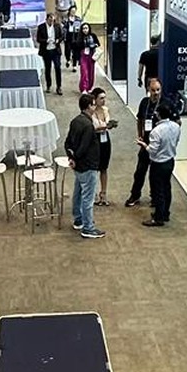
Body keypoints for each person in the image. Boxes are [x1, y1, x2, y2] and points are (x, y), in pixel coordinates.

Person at [64, 93, 105, 239]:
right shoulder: (88, 126)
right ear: (89, 106)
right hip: (87, 165)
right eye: (93, 104)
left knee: (78, 192)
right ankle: (88, 228)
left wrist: (71, 158)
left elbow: (67, 142)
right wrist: (75, 157)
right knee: (88, 198)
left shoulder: (75, 121)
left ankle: (78, 219)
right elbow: (84, 147)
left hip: (78, 167)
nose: (95, 106)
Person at [137, 102, 181, 227]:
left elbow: (152, 151)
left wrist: (144, 145)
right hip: (170, 161)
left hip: (158, 164)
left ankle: (158, 217)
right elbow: (176, 141)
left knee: (158, 191)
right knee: (167, 188)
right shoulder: (176, 127)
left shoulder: (156, 131)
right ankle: (165, 213)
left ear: (158, 115)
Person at [125, 78, 163, 207]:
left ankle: (155, 197)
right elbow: (140, 119)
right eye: (153, 90)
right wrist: (140, 135)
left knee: (155, 174)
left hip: (158, 146)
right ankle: (135, 195)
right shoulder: (144, 103)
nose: (156, 93)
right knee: (140, 171)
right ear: (148, 90)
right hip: (145, 143)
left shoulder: (165, 104)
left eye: (158, 90)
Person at [90, 87, 117, 206]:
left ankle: (104, 193)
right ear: (95, 99)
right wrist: (106, 126)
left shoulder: (106, 110)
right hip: (95, 140)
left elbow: (107, 123)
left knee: (104, 168)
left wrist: (107, 126)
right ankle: (94, 193)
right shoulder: (91, 112)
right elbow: (93, 128)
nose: (104, 100)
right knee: (94, 168)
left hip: (105, 140)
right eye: (101, 98)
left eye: (104, 98)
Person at [36, 13, 64, 95]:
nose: (51, 22)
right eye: (50, 20)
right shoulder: (41, 27)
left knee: (58, 68)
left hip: (56, 51)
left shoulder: (57, 26)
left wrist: (58, 40)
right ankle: (48, 85)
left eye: (53, 20)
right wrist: (46, 41)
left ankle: (59, 87)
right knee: (48, 69)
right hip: (46, 51)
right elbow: (38, 39)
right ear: (47, 19)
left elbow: (62, 36)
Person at [78, 22, 100, 93]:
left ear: (89, 28)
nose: (85, 30)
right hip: (83, 56)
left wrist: (93, 45)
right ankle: (84, 88)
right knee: (84, 72)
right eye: (83, 28)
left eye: (86, 28)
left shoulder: (93, 35)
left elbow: (98, 44)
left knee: (91, 72)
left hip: (91, 55)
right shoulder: (80, 37)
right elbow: (77, 46)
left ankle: (90, 87)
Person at [63, 6, 82, 72]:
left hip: (76, 37)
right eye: (72, 11)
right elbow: (63, 28)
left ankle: (74, 66)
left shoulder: (78, 19)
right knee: (67, 51)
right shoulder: (65, 19)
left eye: (74, 11)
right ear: (69, 11)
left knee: (75, 52)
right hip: (68, 37)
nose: (73, 12)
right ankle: (68, 60)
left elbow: (80, 26)